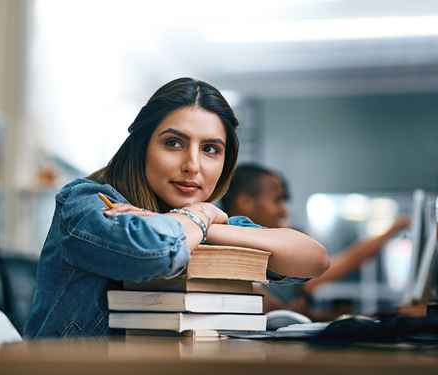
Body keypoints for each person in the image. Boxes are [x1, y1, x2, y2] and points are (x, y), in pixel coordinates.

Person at [24, 78, 330, 338]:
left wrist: (205, 223)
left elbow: (313, 259)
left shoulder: (199, 225)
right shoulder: (85, 203)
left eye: (210, 149)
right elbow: (155, 252)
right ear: (142, 146)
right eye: (173, 143)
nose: (192, 166)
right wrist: (199, 215)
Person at [220, 163, 410, 317]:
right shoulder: (222, 253)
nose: (284, 210)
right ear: (245, 201)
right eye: (277, 200)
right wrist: (395, 229)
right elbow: (344, 262)